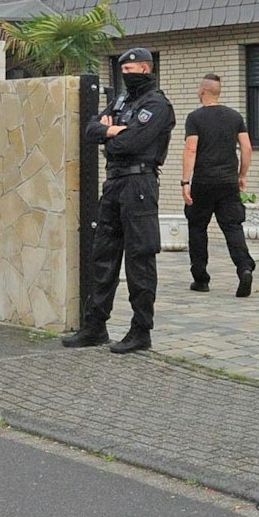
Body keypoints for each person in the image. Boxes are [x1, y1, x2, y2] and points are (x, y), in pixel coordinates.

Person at [62, 48, 175, 354]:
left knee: (139, 258)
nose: (127, 74)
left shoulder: (157, 103)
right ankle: (95, 326)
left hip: (139, 184)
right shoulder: (122, 101)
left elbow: (133, 141)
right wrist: (111, 130)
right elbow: (90, 129)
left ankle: (141, 331)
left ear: (147, 69)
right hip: (113, 184)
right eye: (123, 69)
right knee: (104, 255)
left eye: (133, 69)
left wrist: (110, 138)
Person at [181, 73, 255, 297]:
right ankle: (244, 268)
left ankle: (201, 278)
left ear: (202, 91)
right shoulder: (234, 116)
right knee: (232, 227)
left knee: (197, 227)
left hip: (203, 182)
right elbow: (247, 148)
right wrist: (242, 175)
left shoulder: (195, 118)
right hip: (228, 182)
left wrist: (186, 181)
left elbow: (191, 149)